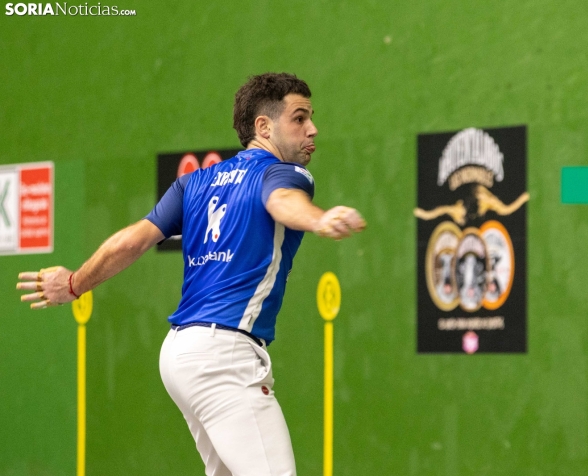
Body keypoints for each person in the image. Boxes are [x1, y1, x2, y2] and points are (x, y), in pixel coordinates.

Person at [16, 72, 366, 476]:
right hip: (224, 355)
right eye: (300, 118)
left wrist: (76, 282)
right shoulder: (283, 174)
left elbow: (133, 240)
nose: (312, 129)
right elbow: (282, 202)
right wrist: (320, 220)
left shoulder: (194, 182)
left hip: (180, 354)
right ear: (264, 127)